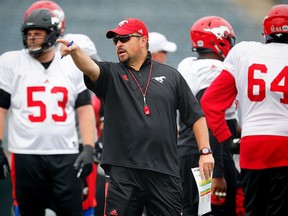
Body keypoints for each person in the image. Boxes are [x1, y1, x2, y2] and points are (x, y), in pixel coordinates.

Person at [57, 17, 214, 216]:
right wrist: (76, 52)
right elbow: (90, 67)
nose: (119, 44)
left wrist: (205, 151)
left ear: (142, 40)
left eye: (124, 38)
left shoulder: (171, 75)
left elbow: (196, 116)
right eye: (116, 41)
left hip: (164, 172)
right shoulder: (111, 73)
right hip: (123, 174)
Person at [0, 3, 96, 216]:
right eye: (29, 34)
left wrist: (89, 148)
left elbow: (85, 109)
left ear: (53, 35)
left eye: (38, 34)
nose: (32, 38)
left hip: (66, 154)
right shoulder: (10, 62)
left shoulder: (70, 64)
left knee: (71, 211)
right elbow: (1, 107)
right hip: (26, 155)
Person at [201, 4, 288, 216]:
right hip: (285, 144)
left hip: (253, 146)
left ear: (266, 31)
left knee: (253, 210)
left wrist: (227, 140)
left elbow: (210, 101)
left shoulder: (244, 52)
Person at [177, 16, 239, 216]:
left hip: (188, 150)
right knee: (213, 211)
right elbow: (210, 117)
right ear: (218, 39)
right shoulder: (214, 69)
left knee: (191, 210)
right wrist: (218, 172)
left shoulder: (188, 65)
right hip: (209, 154)